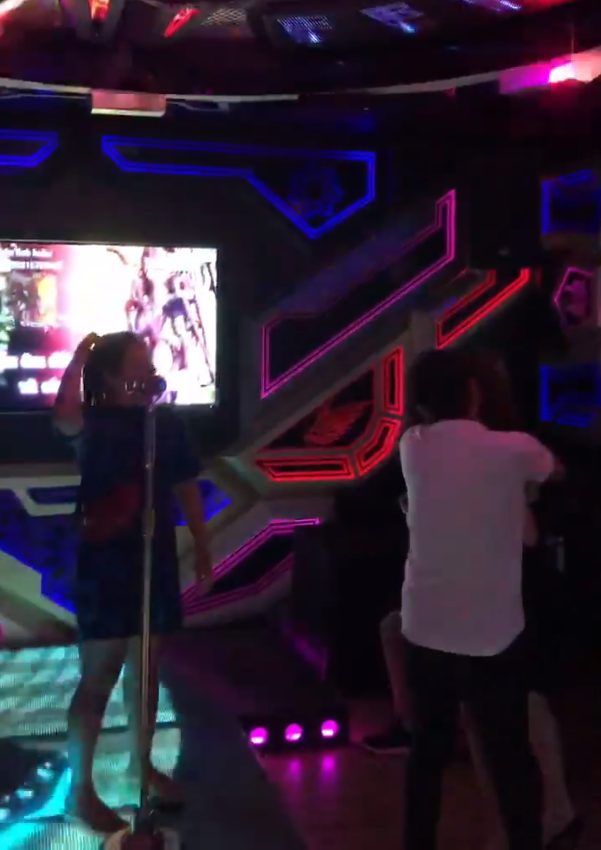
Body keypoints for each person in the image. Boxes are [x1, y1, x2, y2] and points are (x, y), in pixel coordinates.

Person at [400, 347, 563, 850]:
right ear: (474, 392)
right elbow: (554, 471)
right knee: (509, 755)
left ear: (421, 405)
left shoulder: (413, 446)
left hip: (425, 626)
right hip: (492, 633)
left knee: (426, 754)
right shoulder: (513, 449)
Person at [54, 331, 213, 834]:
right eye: (136, 364)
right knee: (99, 673)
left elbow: (186, 483)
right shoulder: (94, 422)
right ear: (110, 375)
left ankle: (140, 765)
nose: (147, 372)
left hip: (152, 556)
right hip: (106, 559)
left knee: (145, 669)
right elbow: (64, 415)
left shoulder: (163, 423)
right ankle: (80, 792)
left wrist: (202, 543)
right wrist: (79, 358)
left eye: (149, 363)